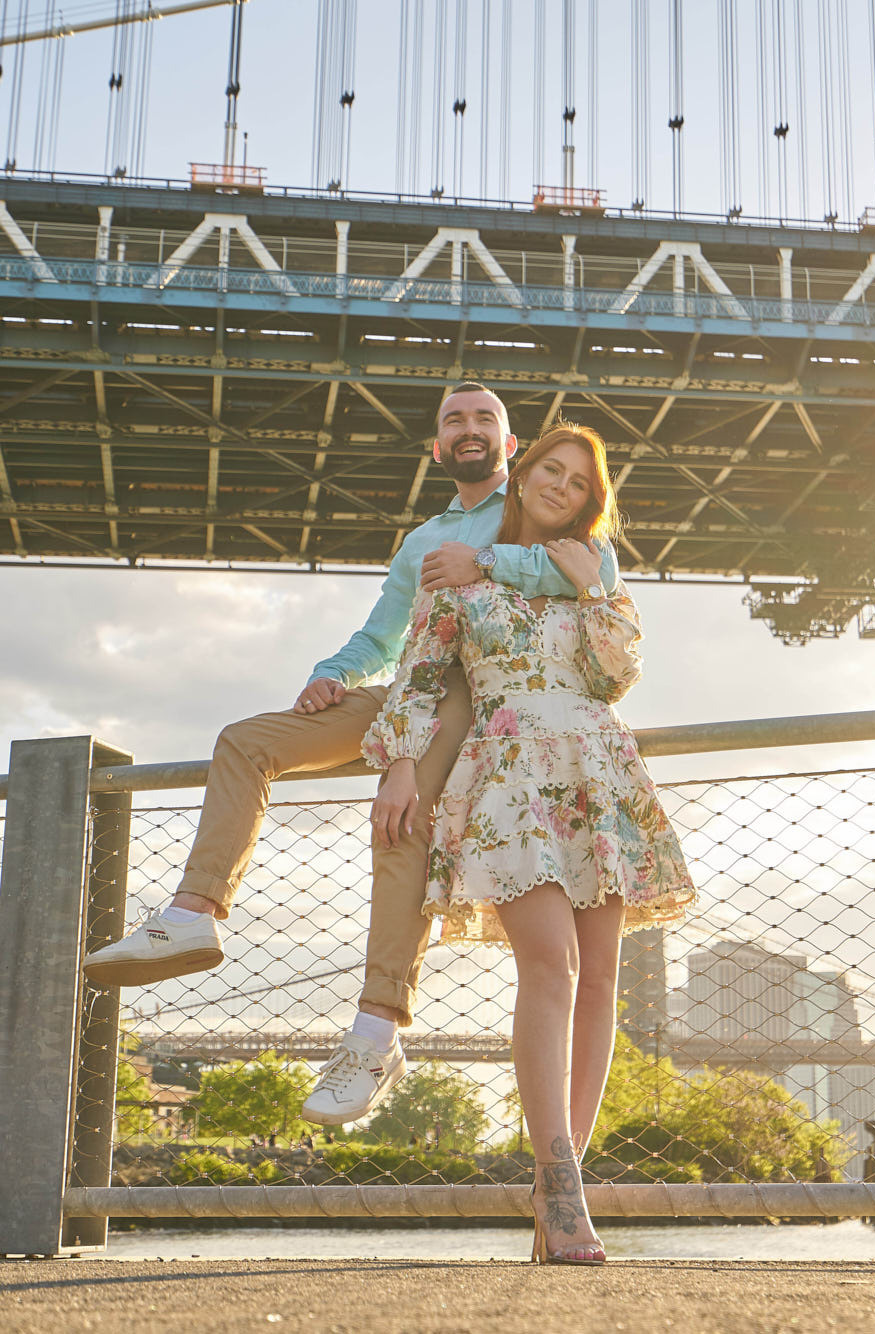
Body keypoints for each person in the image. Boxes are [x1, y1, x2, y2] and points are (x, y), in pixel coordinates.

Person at [82, 383, 620, 1129]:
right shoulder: (422, 539)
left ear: (513, 444)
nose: (469, 429)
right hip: (413, 685)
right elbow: (386, 636)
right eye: (453, 421)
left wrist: (483, 564)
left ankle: (376, 1033)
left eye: (484, 419)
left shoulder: (541, 502)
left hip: (484, 696)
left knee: (400, 823)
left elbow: (583, 573)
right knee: (247, 741)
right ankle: (193, 911)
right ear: (437, 447)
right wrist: (333, 671)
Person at [361, 422, 695, 1265]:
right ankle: (558, 1182)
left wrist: (595, 593)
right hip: (510, 770)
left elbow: (617, 674)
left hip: (596, 766)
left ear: (592, 500)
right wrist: (401, 765)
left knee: (602, 978)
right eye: (551, 469)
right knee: (551, 966)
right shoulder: (454, 570)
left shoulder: (592, 570)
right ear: (521, 474)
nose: (561, 487)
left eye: (580, 482)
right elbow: (420, 677)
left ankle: (561, 1198)